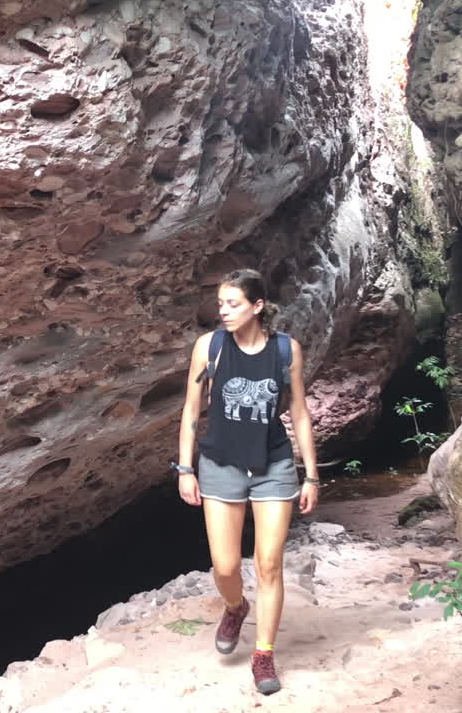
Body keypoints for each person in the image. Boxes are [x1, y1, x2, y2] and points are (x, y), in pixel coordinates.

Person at [174, 268, 319, 695]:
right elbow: (190, 410)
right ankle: (236, 607)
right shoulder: (210, 347)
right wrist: (185, 468)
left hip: (273, 465)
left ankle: (263, 654)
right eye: (221, 304)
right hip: (220, 464)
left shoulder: (285, 351)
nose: (224, 311)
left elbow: (300, 413)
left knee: (269, 563)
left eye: (233, 304)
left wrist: (311, 473)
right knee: (225, 566)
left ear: (257, 306)